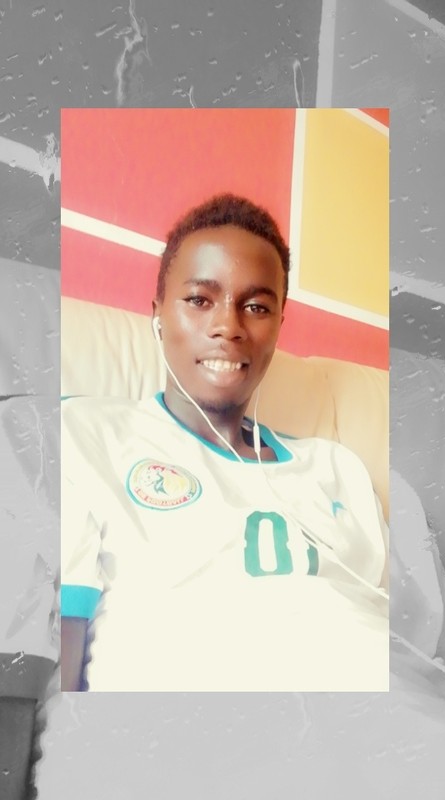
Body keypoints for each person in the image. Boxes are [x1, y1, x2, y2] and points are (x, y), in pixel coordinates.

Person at [61, 193, 390, 692]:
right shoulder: (85, 434)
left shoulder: (338, 468)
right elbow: (53, 660)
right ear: (157, 314)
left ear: (278, 327)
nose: (228, 327)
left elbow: (419, 634)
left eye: (256, 306)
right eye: (199, 300)